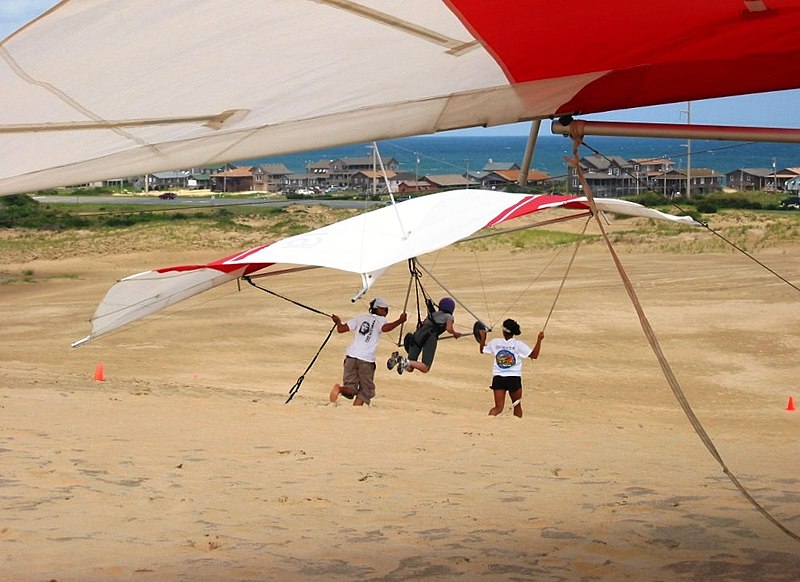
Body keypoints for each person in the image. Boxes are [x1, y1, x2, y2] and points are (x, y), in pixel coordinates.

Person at [329, 297, 407, 406]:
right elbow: (385, 328)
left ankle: (339, 389)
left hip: (351, 357)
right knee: (366, 390)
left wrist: (338, 322)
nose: (386, 312)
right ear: (378, 309)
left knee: (350, 388)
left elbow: (341, 329)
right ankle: (357, 410)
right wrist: (400, 321)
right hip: (366, 360)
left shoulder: (360, 318)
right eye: (385, 310)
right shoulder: (380, 320)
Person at [478, 318, 544, 418]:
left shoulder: (495, 342)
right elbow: (534, 355)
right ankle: (518, 425)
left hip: (499, 378)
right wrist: (539, 340)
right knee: (517, 406)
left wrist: (483, 337)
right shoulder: (518, 344)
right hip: (513, 378)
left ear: (503, 330)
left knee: (498, 408)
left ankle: (488, 424)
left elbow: (482, 349)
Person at [388, 296, 462, 375]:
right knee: (425, 367)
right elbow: (449, 328)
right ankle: (404, 361)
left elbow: (424, 323)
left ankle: (398, 359)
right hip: (429, 338)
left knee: (410, 367)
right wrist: (455, 333)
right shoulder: (449, 317)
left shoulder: (433, 314)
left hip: (416, 336)